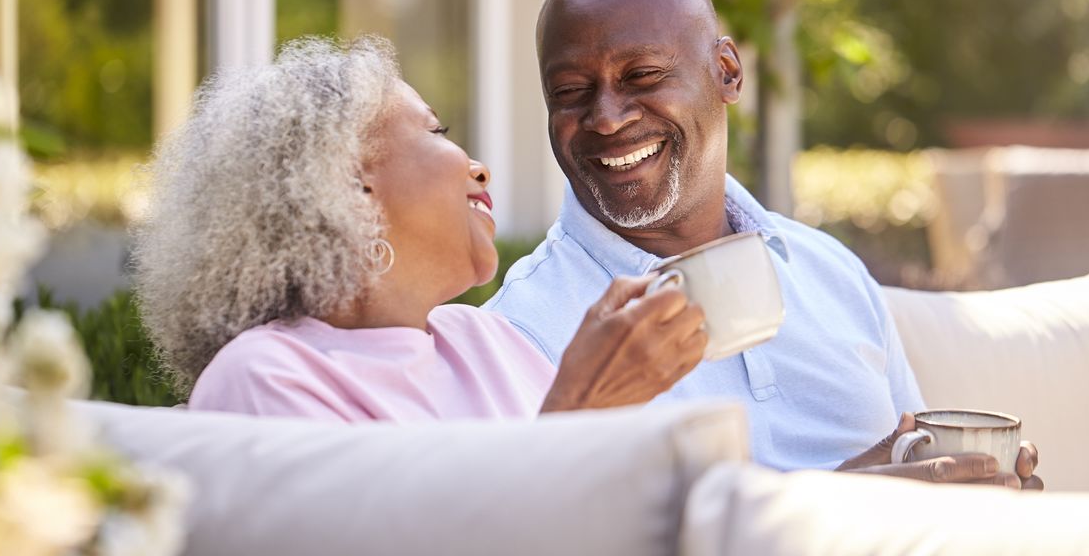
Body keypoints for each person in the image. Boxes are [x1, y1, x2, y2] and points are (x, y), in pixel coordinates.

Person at [484, 0, 1042, 489]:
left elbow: (915, 460)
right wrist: (835, 507)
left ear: (726, 71)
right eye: (571, 91)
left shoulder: (828, 271)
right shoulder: (522, 330)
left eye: (643, 75)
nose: (605, 118)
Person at [133, 36, 708, 423]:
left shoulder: (488, 341)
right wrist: (581, 411)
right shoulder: (265, 377)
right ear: (348, 188)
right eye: (436, 131)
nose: (479, 167)